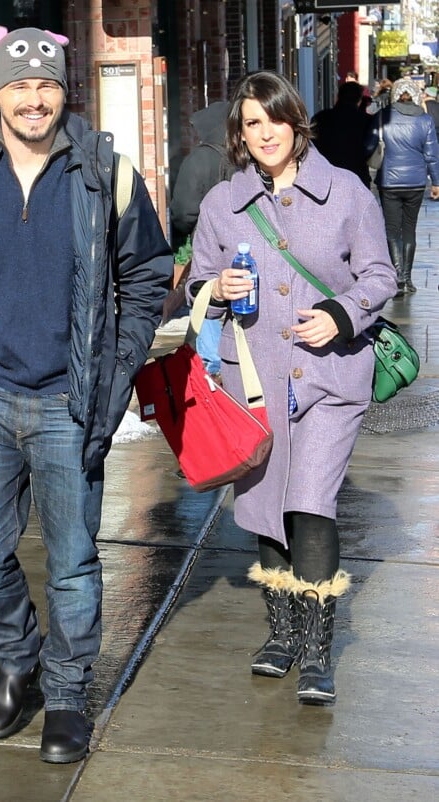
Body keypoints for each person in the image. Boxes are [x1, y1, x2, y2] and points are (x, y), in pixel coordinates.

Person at [0, 25, 172, 763]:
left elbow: (148, 275)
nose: (34, 97)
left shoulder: (102, 171)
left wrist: (115, 369)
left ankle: (67, 691)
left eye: (46, 83)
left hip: (68, 398)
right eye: (19, 84)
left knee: (75, 558)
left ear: (63, 91)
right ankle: (20, 658)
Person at [186, 71, 397, 706]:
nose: (265, 132)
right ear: (240, 135)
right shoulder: (225, 204)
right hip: (253, 381)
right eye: (252, 123)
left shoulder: (347, 192)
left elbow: (380, 274)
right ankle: (279, 634)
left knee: (310, 503)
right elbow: (196, 284)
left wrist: (342, 312)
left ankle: (316, 649)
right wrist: (215, 288)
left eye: (274, 118)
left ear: (295, 121)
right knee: (264, 506)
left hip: (330, 378)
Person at [170, 101, 235, 382]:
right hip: (246, 243)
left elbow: (183, 211)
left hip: (207, 243)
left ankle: (212, 364)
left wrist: (186, 234)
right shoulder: (245, 155)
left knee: (208, 295)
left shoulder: (198, 159)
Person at [367, 77, 439, 294]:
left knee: (391, 230)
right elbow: (432, 155)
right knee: (409, 230)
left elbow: (369, 144)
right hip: (416, 183)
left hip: (389, 181)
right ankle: (407, 278)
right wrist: (436, 182)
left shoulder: (382, 117)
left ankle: (397, 276)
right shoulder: (425, 120)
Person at [312, 81, 373, 188]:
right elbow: (371, 147)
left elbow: (312, 145)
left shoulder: (320, 118)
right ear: (359, 100)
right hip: (357, 175)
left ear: (338, 96)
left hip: (327, 174)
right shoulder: (367, 120)